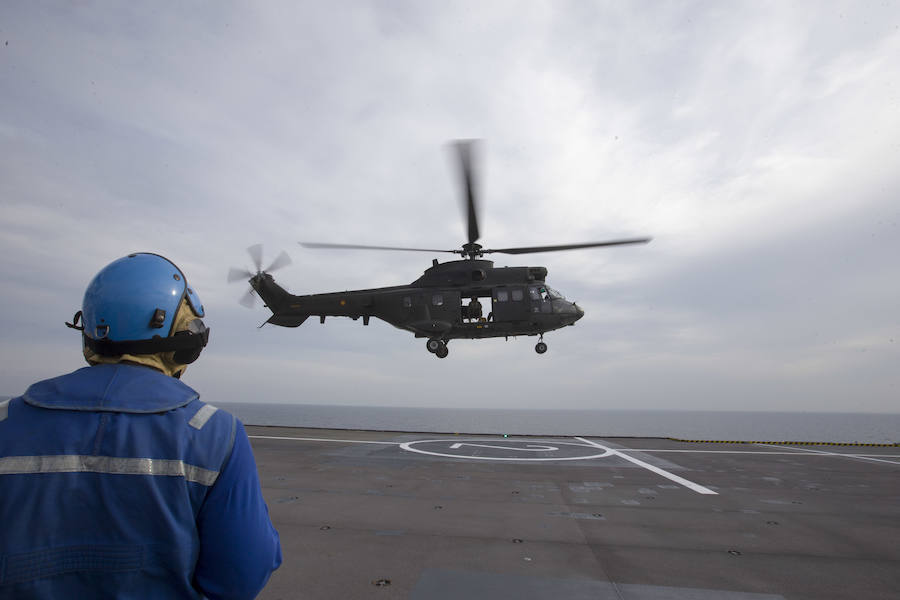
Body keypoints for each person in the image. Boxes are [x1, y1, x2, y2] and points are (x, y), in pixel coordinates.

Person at [0, 253, 282, 599]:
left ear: (88, 333)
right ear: (187, 341)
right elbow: (242, 576)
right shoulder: (214, 433)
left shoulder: (6, 421)